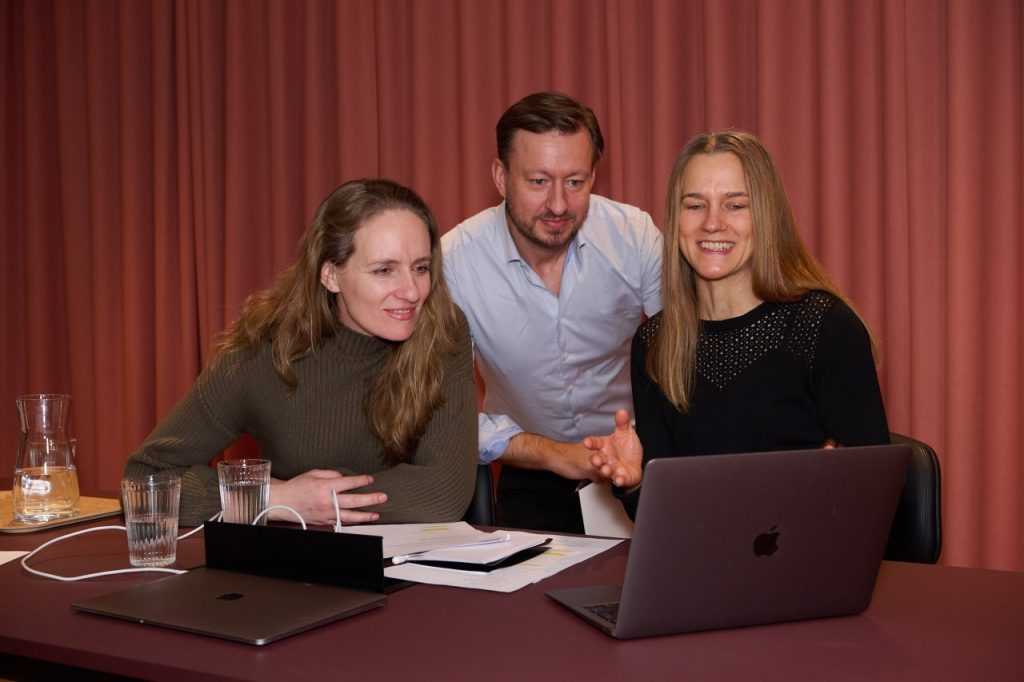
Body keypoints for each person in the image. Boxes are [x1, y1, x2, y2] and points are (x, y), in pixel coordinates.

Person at [125, 178, 477, 527]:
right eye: (384, 270)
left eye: (420, 268)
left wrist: (325, 499)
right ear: (330, 275)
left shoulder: (443, 329)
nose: (412, 292)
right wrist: (275, 499)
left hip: (408, 559)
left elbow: (446, 492)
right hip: (297, 554)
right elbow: (145, 478)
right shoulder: (264, 349)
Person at [585, 130, 890, 517]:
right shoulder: (655, 341)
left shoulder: (825, 327)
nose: (713, 223)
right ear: (676, 220)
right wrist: (637, 484)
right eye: (695, 205)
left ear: (766, 216)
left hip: (806, 550)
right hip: (700, 553)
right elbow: (666, 521)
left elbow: (877, 500)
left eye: (735, 205)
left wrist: (831, 491)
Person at [441, 92, 663, 533]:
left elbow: (689, 358)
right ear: (501, 177)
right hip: (531, 470)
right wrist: (556, 455)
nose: (559, 205)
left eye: (575, 182)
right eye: (539, 181)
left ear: (594, 175)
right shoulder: (455, 261)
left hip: (637, 462)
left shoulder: (634, 236)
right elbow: (444, 416)